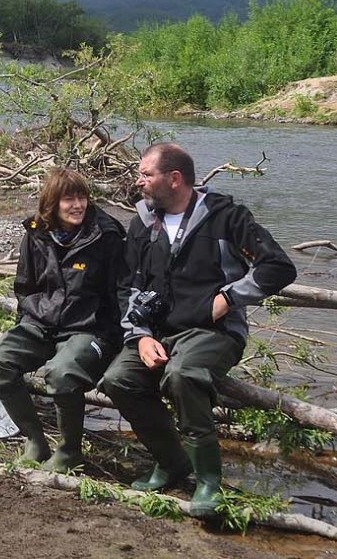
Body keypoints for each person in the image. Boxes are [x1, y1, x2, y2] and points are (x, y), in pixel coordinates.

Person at [101, 143, 296, 517]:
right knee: (117, 379)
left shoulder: (227, 217)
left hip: (214, 332)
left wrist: (228, 298)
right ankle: (172, 462)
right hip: (157, 332)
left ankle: (208, 481)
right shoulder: (142, 222)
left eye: (146, 174)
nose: (138, 181)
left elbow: (279, 267)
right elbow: (127, 286)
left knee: (183, 374)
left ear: (174, 179)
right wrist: (140, 335)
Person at [0, 167, 126, 472]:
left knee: (62, 373)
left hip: (88, 329)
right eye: (68, 199)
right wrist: (28, 321)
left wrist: (112, 338)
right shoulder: (36, 234)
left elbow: (120, 294)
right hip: (41, 324)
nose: (78, 205)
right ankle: (34, 439)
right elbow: (24, 287)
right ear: (52, 203)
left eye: (82, 197)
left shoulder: (107, 234)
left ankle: (69, 451)